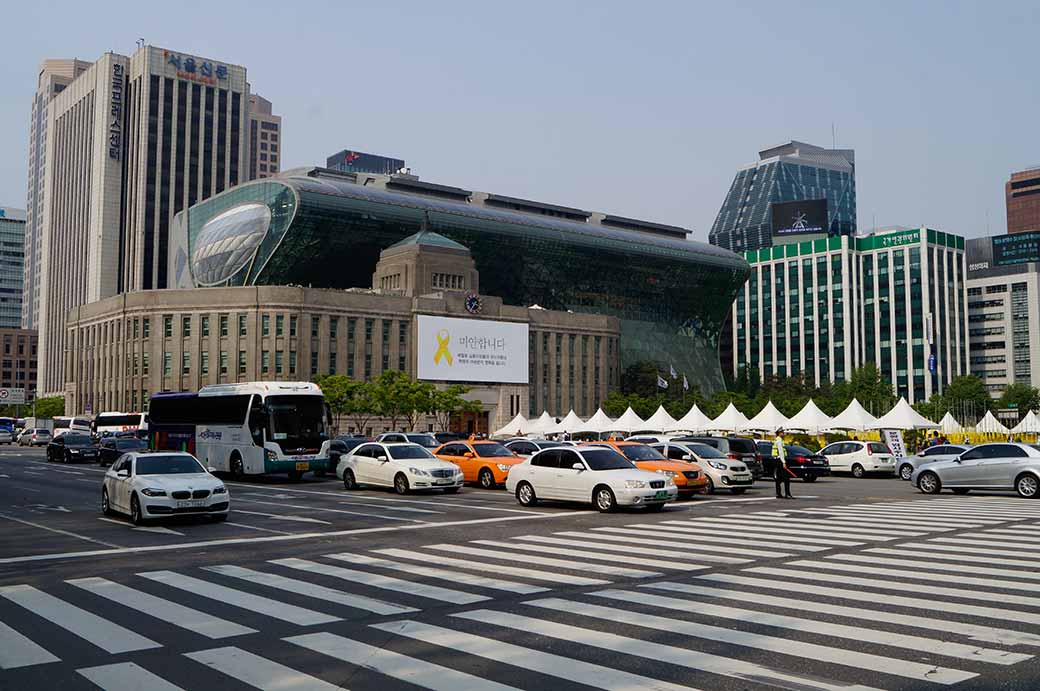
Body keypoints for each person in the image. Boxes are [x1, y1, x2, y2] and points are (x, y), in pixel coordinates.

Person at [773, 428, 793, 499]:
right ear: (779, 433)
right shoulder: (779, 441)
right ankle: (787, 494)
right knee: (786, 478)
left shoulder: (777, 440)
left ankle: (778, 494)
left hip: (777, 460)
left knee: (778, 478)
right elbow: (781, 452)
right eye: (782, 432)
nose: (783, 433)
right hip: (780, 460)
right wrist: (784, 462)